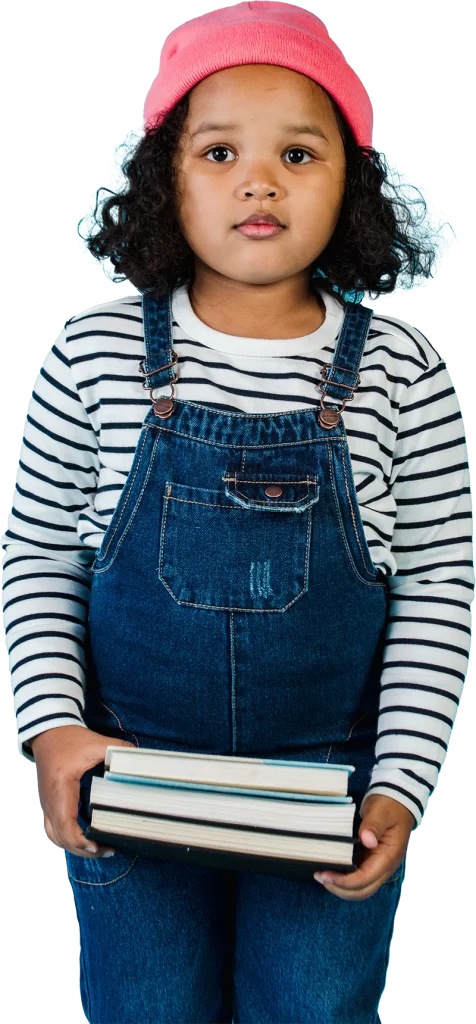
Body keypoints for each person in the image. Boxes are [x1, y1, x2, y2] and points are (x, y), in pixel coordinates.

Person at [1, 3, 473, 1022]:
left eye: (297, 153)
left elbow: (439, 587)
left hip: (332, 793)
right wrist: (54, 731)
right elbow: (37, 554)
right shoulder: (91, 353)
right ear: (161, 179)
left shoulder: (404, 371)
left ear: (355, 186)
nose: (259, 181)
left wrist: (400, 784)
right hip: (129, 777)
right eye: (219, 152)